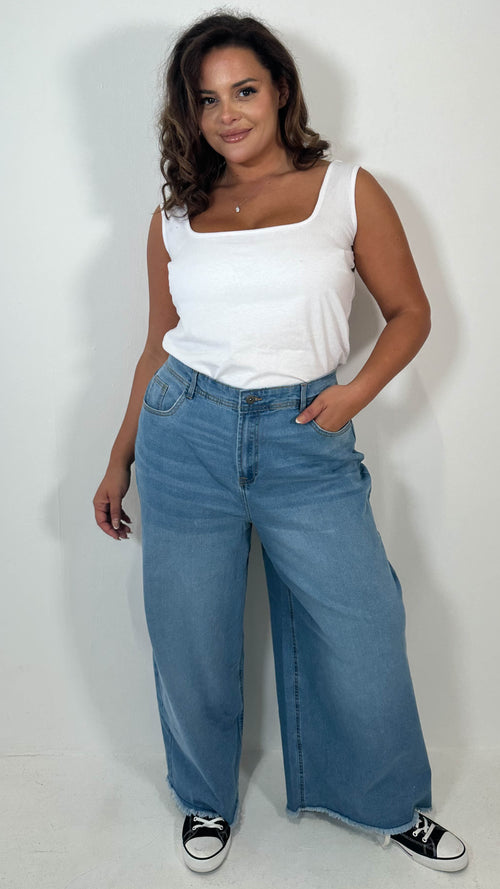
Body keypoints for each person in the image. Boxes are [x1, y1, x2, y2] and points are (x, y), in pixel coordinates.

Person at [93, 11, 468, 875]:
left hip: (306, 439)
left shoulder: (346, 191)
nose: (228, 114)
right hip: (185, 430)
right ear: (189, 113)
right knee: (190, 632)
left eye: (245, 90)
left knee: (363, 622)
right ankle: (205, 798)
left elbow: (411, 313)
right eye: (207, 99)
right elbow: (157, 344)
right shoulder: (175, 215)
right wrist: (120, 456)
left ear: (282, 91)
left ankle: (387, 800)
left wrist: (352, 395)